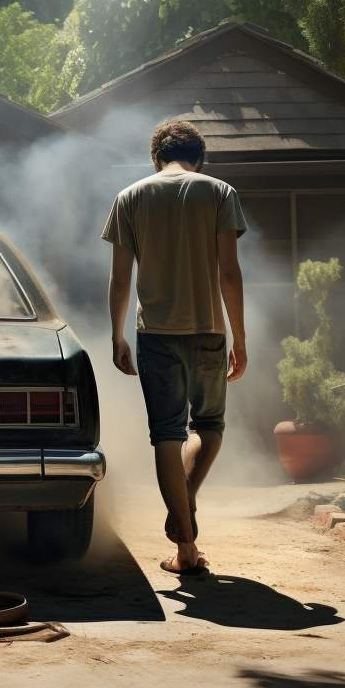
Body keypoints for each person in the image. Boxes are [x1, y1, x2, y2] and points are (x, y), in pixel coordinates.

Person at [102, 118, 247, 575]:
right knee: (209, 424)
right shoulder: (220, 192)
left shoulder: (130, 197)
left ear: (155, 157)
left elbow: (120, 279)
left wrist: (117, 334)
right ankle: (183, 521)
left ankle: (184, 544)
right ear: (199, 156)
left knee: (166, 434)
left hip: (156, 337)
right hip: (209, 332)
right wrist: (239, 339)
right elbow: (229, 273)